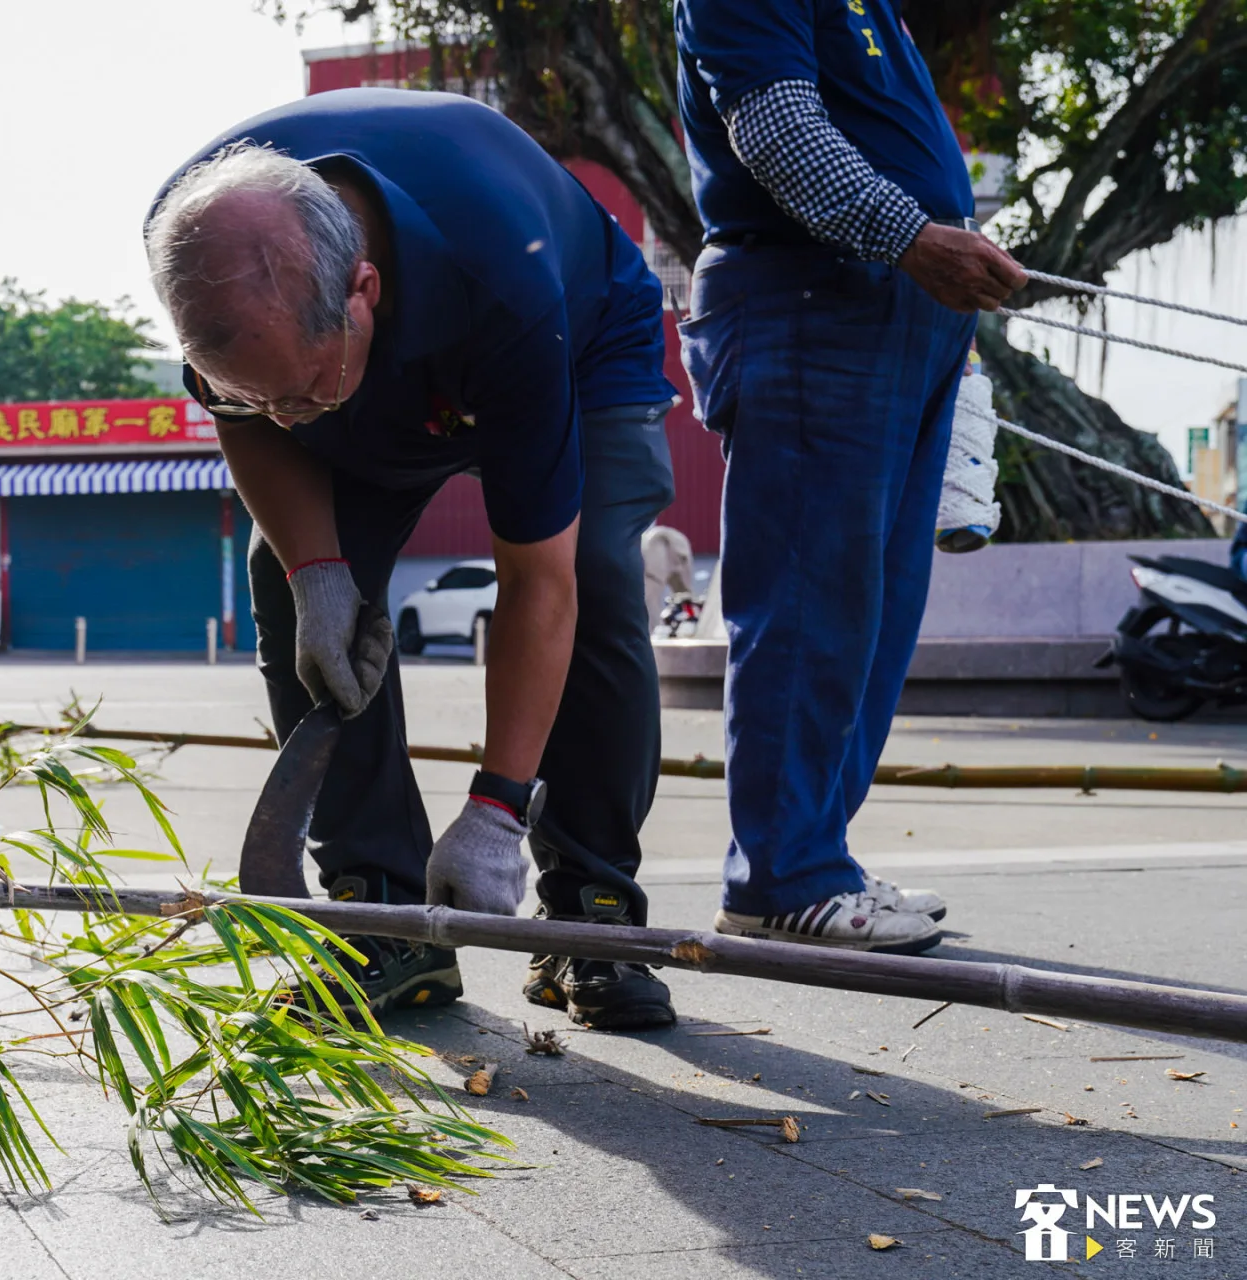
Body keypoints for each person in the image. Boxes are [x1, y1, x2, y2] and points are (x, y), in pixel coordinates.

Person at [146, 89, 681, 1028]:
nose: (284, 418)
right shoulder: (197, 241)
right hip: (373, 360)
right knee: (286, 575)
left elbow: (537, 582)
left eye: (301, 390)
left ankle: (588, 911)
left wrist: (497, 808)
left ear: (364, 290)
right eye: (256, 395)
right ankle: (381, 919)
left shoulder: (500, 281)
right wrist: (317, 571)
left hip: (579, 334)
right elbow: (253, 416)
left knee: (594, 572)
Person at [674, 0, 1028, 953]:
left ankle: (813, 857)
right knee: (809, 601)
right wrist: (915, 236)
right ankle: (782, 876)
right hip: (814, 298)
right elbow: (780, 131)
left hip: (893, 309)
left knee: (869, 614)